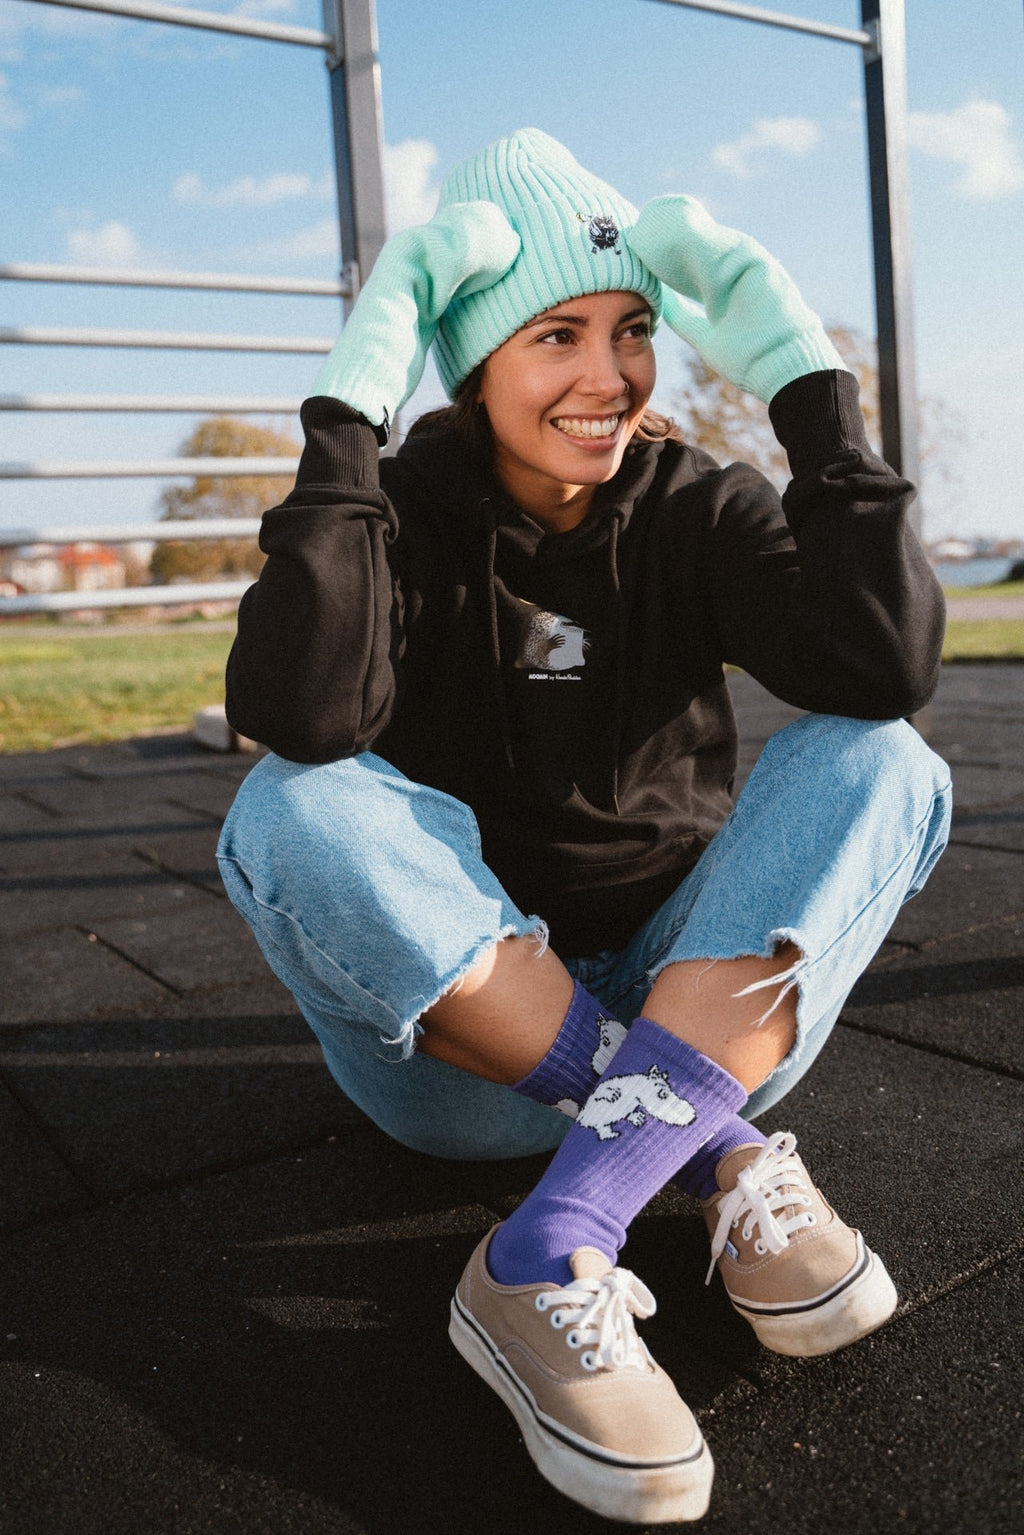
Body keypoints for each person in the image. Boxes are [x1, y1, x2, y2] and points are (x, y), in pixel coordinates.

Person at [217, 128, 951, 1524]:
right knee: (292, 807)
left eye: (632, 332)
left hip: (703, 1000)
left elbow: (883, 672)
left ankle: (555, 1239)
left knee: (884, 761)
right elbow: (300, 714)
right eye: (554, 334)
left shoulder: (700, 504)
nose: (608, 377)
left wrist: (807, 388)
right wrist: (348, 411)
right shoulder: (403, 515)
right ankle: (702, 1147)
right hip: (466, 1056)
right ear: (473, 364)